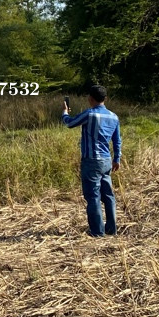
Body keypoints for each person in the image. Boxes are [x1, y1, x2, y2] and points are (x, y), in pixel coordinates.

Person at [62, 84, 122, 237]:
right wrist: (117, 158)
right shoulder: (114, 116)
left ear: (90, 98)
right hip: (107, 160)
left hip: (91, 160)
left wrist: (64, 112)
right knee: (108, 195)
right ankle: (111, 229)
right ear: (105, 98)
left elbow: (69, 123)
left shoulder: (90, 114)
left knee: (93, 196)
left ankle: (97, 232)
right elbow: (117, 140)